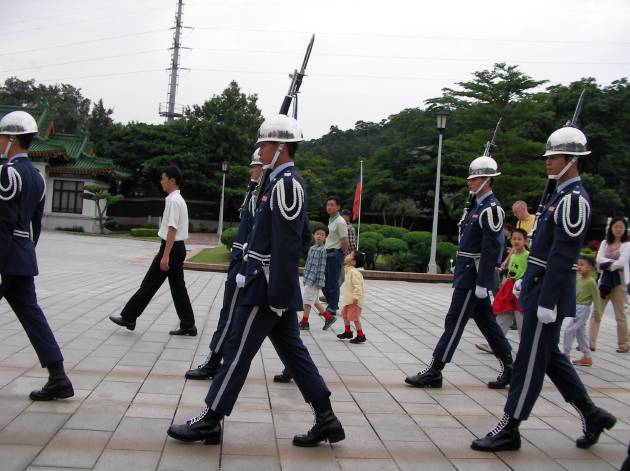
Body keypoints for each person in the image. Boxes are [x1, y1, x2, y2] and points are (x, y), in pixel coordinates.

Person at [166, 115, 345, 447]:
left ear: (279, 148)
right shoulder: (273, 181)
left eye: (264, 145)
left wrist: (276, 294)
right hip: (266, 284)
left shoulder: (287, 184)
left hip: (266, 288)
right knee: (294, 353)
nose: (259, 150)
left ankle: (211, 418)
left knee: (236, 349)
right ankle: (327, 419)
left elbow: (289, 243)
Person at [472, 123, 616, 452]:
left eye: (556, 157)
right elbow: (544, 251)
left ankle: (510, 426)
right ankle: (592, 414)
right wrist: (528, 279)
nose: (549, 162)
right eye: (549, 156)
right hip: (538, 287)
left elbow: (563, 255)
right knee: (549, 358)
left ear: (573, 160)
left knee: (528, 362)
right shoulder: (559, 196)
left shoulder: (573, 201)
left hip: (548, 294)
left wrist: (548, 300)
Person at [405, 154, 514, 391]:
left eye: (474, 179)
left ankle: (435, 370)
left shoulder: (491, 209)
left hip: (474, 277)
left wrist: (484, 281)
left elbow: (491, 247)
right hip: (467, 273)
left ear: (487, 180)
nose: (469, 182)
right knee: (487, 323)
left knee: (454, 322)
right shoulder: (477, 205)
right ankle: (510, 366)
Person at [0, 111, 74, 401]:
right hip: (22, 257)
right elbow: (35, 226)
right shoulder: (37, 176)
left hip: (7, 258)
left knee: (33, 317)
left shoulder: (8, 173)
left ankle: (59, 377)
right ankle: (58, 377)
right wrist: (25, 254)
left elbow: (3, 224)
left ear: (12, 140)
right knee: (33, 318)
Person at [185, 153, 263, 380]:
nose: (251, 170)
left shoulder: (264, 195)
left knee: (230, 315)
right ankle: (219, 360)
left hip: (250, 266)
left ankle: (214, 362)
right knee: (279, 330)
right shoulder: (254, 192)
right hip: (246, 263)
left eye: (254, 166)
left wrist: (243, 265)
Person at [110, 166, 196, 336]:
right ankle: (188, 325)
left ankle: (129, 316)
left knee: (149, 283)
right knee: (178, 288)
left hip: (170, 248)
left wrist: (165, 256)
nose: (161, 181)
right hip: (178, 248)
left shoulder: (173, 200)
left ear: (171, 180)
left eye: (163, 178)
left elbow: (172, 229)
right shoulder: (178, 199)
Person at [589, 217, 630, 353]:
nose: (618, 229)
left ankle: (623, 344)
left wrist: (606, 265)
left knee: (620, 315)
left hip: (619, 281)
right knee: (597, 311)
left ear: (625, 229)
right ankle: (591, 342)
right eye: (616, 226)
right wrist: (611, 264)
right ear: (611, 228)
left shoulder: (627, 244)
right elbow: (599, 258)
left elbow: (622, 261)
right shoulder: (605, 243)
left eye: (621, 227)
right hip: (605, 281)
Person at [564, 255, 601, 367]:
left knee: (569, 330)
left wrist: (597, 312)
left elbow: (596, 297)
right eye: (578, 264)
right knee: (581, 333)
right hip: (576, 307)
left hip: (583, 309)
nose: (579, 267)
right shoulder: (578, 279)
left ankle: (565, 355)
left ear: (590, 267)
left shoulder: (591, 282)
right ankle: (587, 357)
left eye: (582, 265)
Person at [491, 228, 529, 337]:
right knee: (503, 314)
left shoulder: (527, 255)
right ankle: (497, 343)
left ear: (525, 241)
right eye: (514, 239)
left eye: (519, 239)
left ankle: (526, 346)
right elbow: (511, 272)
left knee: (521, 318)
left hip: (519, 290)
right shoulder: (513, 255)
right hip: (509, 288)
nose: (516, 241)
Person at [299, 226, 335, 330]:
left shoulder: (323, 250)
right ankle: (329, 318)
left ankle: (304, 322)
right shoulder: (312, 248)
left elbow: (321, 267)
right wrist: (305, 277)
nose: (319, 236)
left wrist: (319, 282)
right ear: (314, 235)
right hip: (308, 279)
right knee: (314, 301)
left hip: (315, 280)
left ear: (325, 238)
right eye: (317, 234)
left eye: (322, 235)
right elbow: (307, 264)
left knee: (307, 300)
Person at [322, 196, 348, 317]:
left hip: (335, 254)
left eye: (332, 205)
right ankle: (331, 304)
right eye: (328, 205)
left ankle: (332, 307)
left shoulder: (340, 221)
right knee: (324, 281)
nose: (329, 207)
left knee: (332, 282)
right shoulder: (331, 219)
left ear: (338, 207)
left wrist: (341, 253)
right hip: (327, 253)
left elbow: (344, 240)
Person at [336, 250, 367, 344]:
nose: (347, 255)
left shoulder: (355, 273)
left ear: (353, 262)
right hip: (348, 300)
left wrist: (356, 297)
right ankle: (348, 332)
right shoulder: (349, 269)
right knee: (345, 316)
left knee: (355, 318)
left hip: (354, 301)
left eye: (350, 255)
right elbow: (344, 266)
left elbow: (358, 286)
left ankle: (361, 335)